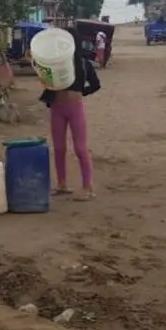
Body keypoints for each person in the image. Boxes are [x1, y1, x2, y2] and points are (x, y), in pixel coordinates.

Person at [39, 27, 101, 201]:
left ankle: (88, 187)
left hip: (74, 106)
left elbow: (96, 84)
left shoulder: (83, 63)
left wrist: (81, 92)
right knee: (59, 148)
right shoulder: (55, 64)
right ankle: (61, 183)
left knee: (80, 148)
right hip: (58, 107)